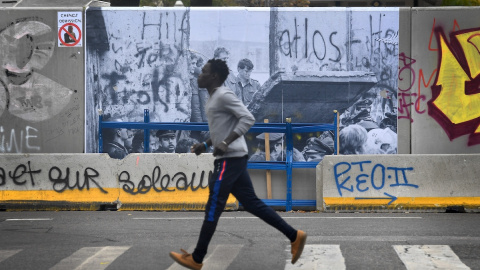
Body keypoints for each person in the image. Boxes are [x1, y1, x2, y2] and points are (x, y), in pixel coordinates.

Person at [169, 59, 307, 270]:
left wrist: (225, 142)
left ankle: (197, 258)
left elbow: (247, 118)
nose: (199, 75)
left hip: (230, 158)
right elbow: (224, 127)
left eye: (203, 72)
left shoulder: (224, 95)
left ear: (214, 76)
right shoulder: (214, 97)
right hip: (233, 156)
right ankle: (294, 235)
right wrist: (205, 144)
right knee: (251, 203)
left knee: (214, 205)